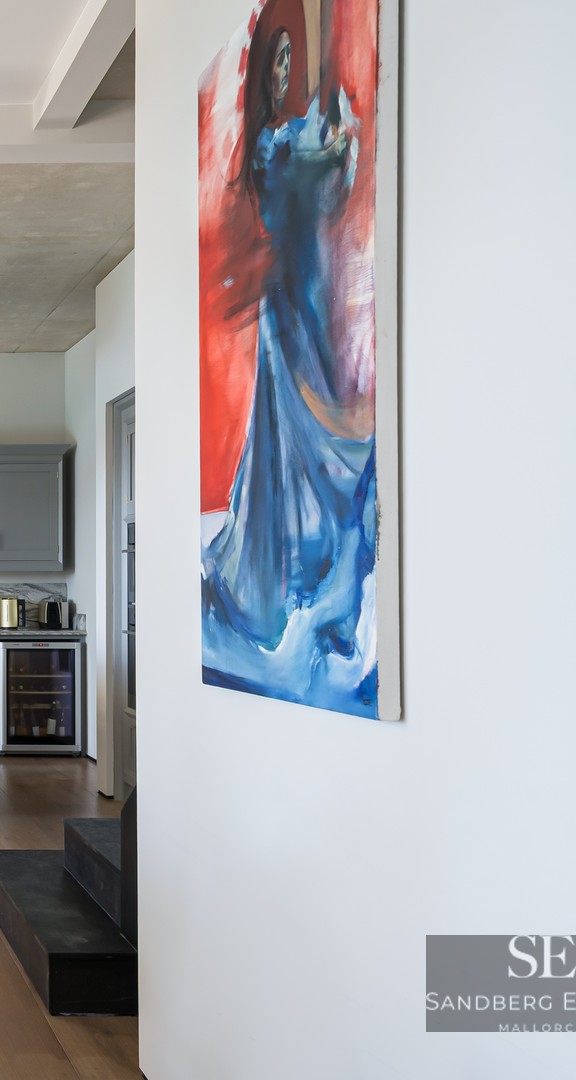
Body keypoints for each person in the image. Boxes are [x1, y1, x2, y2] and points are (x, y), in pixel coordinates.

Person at [200, 13, 378, 717]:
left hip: (302, 303)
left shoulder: (285, 143)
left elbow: (326, 185)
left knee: (294, 439)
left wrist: (336, 141)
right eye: (273, 64)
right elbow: (310, 175)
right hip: (287, 313)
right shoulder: (271, 149)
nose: (281, 73)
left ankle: (301, 565)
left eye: (285, 62)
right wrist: (333, 142)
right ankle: (287, 572)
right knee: (283, 442)